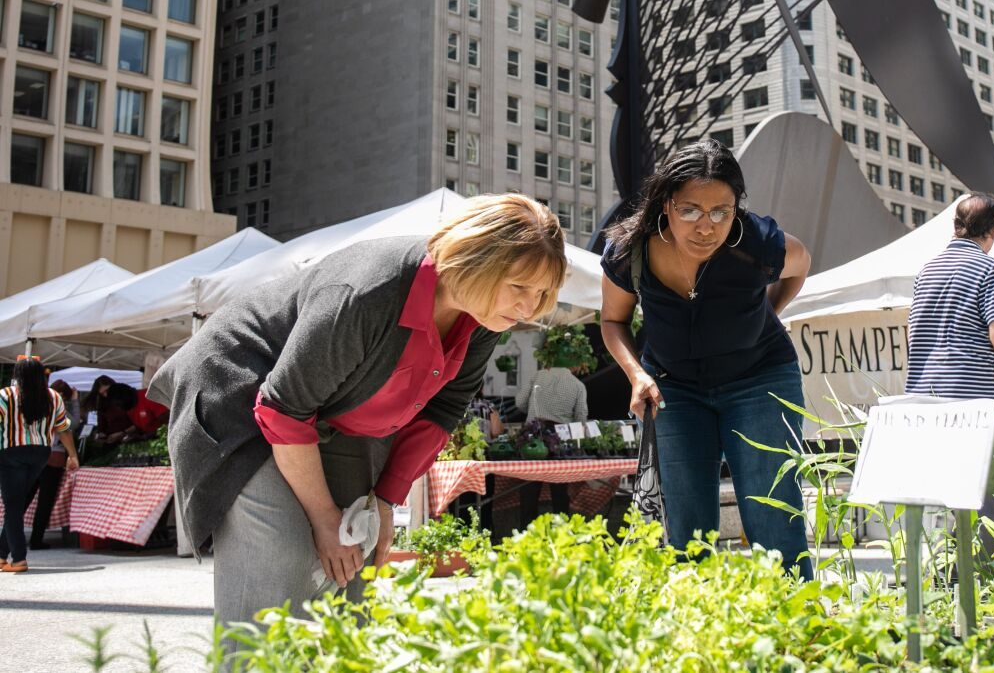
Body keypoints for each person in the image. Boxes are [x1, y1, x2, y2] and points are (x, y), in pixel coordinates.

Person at [147, 194, 566, 633]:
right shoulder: (367, 292)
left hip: (329, 413)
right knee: (283, 558)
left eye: (542, 295)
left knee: (357, 550)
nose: (529, 309)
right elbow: (285, 409)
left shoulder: (483, 317)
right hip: (242, 397)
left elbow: (441, 412)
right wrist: (323, 518)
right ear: (473, 259)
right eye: (519, 288)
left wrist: (384, 501)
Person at [599, 140, 813, 580]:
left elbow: (802, 262)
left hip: (761, 380)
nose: (706, 227)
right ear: (666, 204)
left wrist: (768, 314)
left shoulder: (757, 243)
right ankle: (697, 631)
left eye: (722, 211)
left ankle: (797, 631)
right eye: (690, 210)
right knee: (687, 526)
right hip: (674, 388)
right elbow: (612, 321)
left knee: (774, 515)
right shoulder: (630, 251)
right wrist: (637, 375)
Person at [904, 193, 994, 532]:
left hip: (926, 399)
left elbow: (916, 336)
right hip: (974, 404)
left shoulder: (926, 270)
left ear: (956, 226)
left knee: (938, 498)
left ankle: (943, 576)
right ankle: (984, 579)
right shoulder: (991, 269)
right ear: (993, 231)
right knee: (987, 501)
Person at [0, 358, 80, 572]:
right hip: (41, 454)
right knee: (17, 504)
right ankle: (0, 554)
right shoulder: (53, 397)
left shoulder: (6, 395)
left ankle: (18, 559)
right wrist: (72, 455)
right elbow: (64, 428)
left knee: (13, 505)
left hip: (11, 452)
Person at [513, 347, 590, 528]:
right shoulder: (578, 385)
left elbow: (519, 402)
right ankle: (561, 536)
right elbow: (580, 419)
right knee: (560, 490)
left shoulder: (537, 376)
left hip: (533, 434)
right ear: (573, 365)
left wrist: (533, 409)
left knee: (529, 490)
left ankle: (526, 535)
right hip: (560, 437)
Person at [25, 379, 80, 549]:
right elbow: (74, 424)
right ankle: (36, 540)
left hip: (33, 456)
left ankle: (6, 538)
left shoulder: (35, 407)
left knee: (23, 499)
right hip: (53, 458)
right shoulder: (57, 408)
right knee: (45, 503)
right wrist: (75, 401)